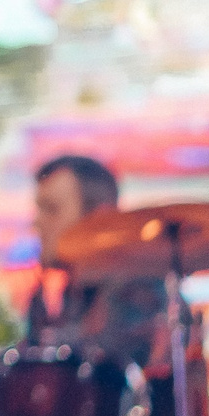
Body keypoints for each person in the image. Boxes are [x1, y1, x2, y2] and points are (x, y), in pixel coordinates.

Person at [23, 154, 162, 370]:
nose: (37, 223)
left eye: (51, 209)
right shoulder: (68, 293)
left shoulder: (141, 285)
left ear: (99, 217)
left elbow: (112, 359)